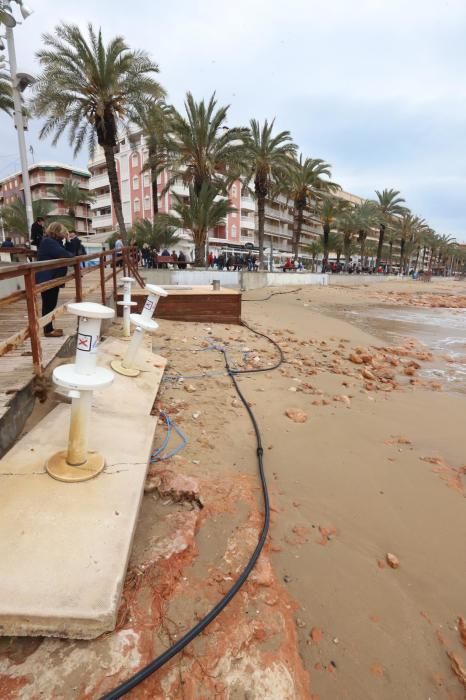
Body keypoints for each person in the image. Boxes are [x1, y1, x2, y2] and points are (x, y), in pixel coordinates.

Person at [36, 223, 74, 337]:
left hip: (53, 278)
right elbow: (66, 255)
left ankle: (49, 328)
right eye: (63, 232)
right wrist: (67, 242)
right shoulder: (48, 242)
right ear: (56, 231)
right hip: (48, 278)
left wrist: (68, 241)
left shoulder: (54, 242)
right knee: (49, 304)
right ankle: (48, 331)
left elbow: (71, 254)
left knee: (51, 303)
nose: (64, 234)